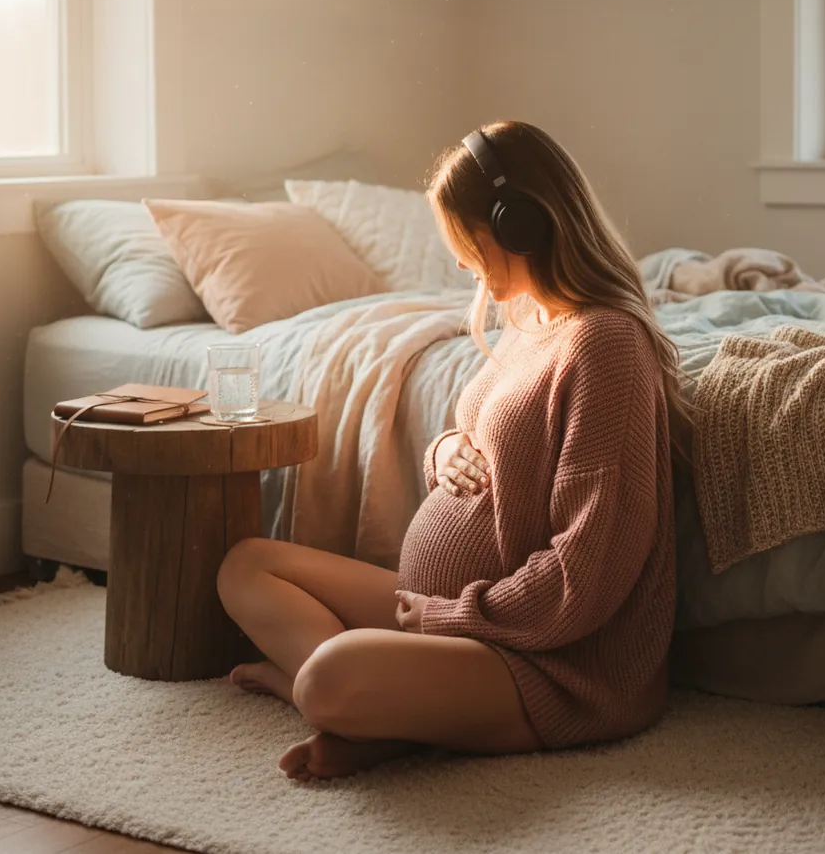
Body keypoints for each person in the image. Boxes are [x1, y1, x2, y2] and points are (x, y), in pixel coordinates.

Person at [216, 120, 690, 782]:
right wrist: (442, 453)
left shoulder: (605, 343)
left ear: (521, 226)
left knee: (327, 674)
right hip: (450, 614)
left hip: (546, 662)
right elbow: (484, 434)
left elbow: (587, 573)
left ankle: (345, 701)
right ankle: (381, 717)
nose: (462, 263)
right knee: (246, 565)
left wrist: (447, 616)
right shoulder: (534, 319)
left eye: (467, 240)